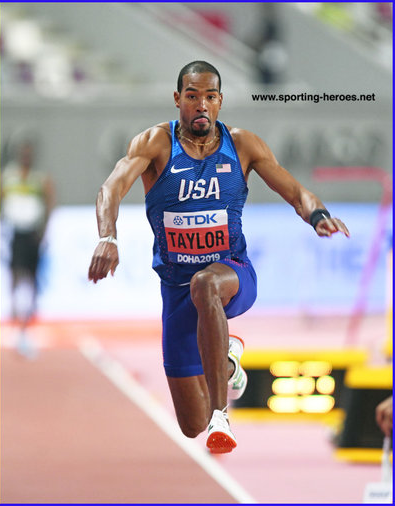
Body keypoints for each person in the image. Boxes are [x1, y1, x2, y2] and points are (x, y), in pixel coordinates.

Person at [88, 61, 350, 454]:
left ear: (220, 101)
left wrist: (318, 215)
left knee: (206, 283)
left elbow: (296, 192)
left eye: (210, 97)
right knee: (191, 425)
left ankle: (221, 414)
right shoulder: (155, 144)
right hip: (176, 290)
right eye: (192, 96)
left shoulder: (243, 145)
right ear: (178, 99)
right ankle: (227, 361)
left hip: (233, 275)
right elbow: (111, 189)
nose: (201, 105)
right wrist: (107, 236)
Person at [0, 141, 54, 357]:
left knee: (31, 276)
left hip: (32, 233)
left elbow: (49, 203)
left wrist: (44, 231)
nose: (26, 158)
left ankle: (28, 314)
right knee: (15, 273)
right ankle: (14, 311)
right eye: (23, 154)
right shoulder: (8, 177)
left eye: (29, 155)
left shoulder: (39, 179)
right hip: (14, 231)